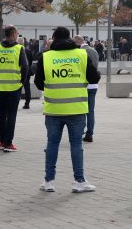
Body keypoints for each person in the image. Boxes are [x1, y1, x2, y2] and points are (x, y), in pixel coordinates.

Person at [35, 26, 100, 193]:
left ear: (54, 39)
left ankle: (49, 181)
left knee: (52, 144)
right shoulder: (81, 55)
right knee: (76, 145)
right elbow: (94, 77)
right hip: (76, 108)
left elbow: (38, 82)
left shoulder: (46, 57)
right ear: (70, 38)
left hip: (53, 108)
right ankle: (79, 181)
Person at [0, 26, 29, 152]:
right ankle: (8, 143)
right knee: (11, 115)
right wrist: (21, 81)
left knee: (1, 114)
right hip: (14, 87)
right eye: (17, 33)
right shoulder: (19, 48)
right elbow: (25, 68)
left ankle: (1, 141)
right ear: (14, 34)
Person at [72, 35, 100, 142]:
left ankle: (80, 131)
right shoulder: (94, 51)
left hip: (83, 84)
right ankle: (90, 133)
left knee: (81, 109)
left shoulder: (79, 53)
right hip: (94, 85)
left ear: (78, 42)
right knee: (91, 110)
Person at [18, 37, 33, 109]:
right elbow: (30, 62)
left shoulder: (16, 50)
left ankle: (16, 102)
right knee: (27, 88)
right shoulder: (28, 51)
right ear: (23, 42)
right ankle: (27, 103)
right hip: (27, 72)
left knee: (18, 88)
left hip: (18, 72)